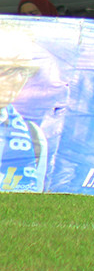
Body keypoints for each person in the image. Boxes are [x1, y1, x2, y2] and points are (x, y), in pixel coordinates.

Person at [0, 54, 47, 193]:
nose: (16, 80)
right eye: (5, 69)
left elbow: (32, 201)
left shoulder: (33, 136)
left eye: (23, 71)